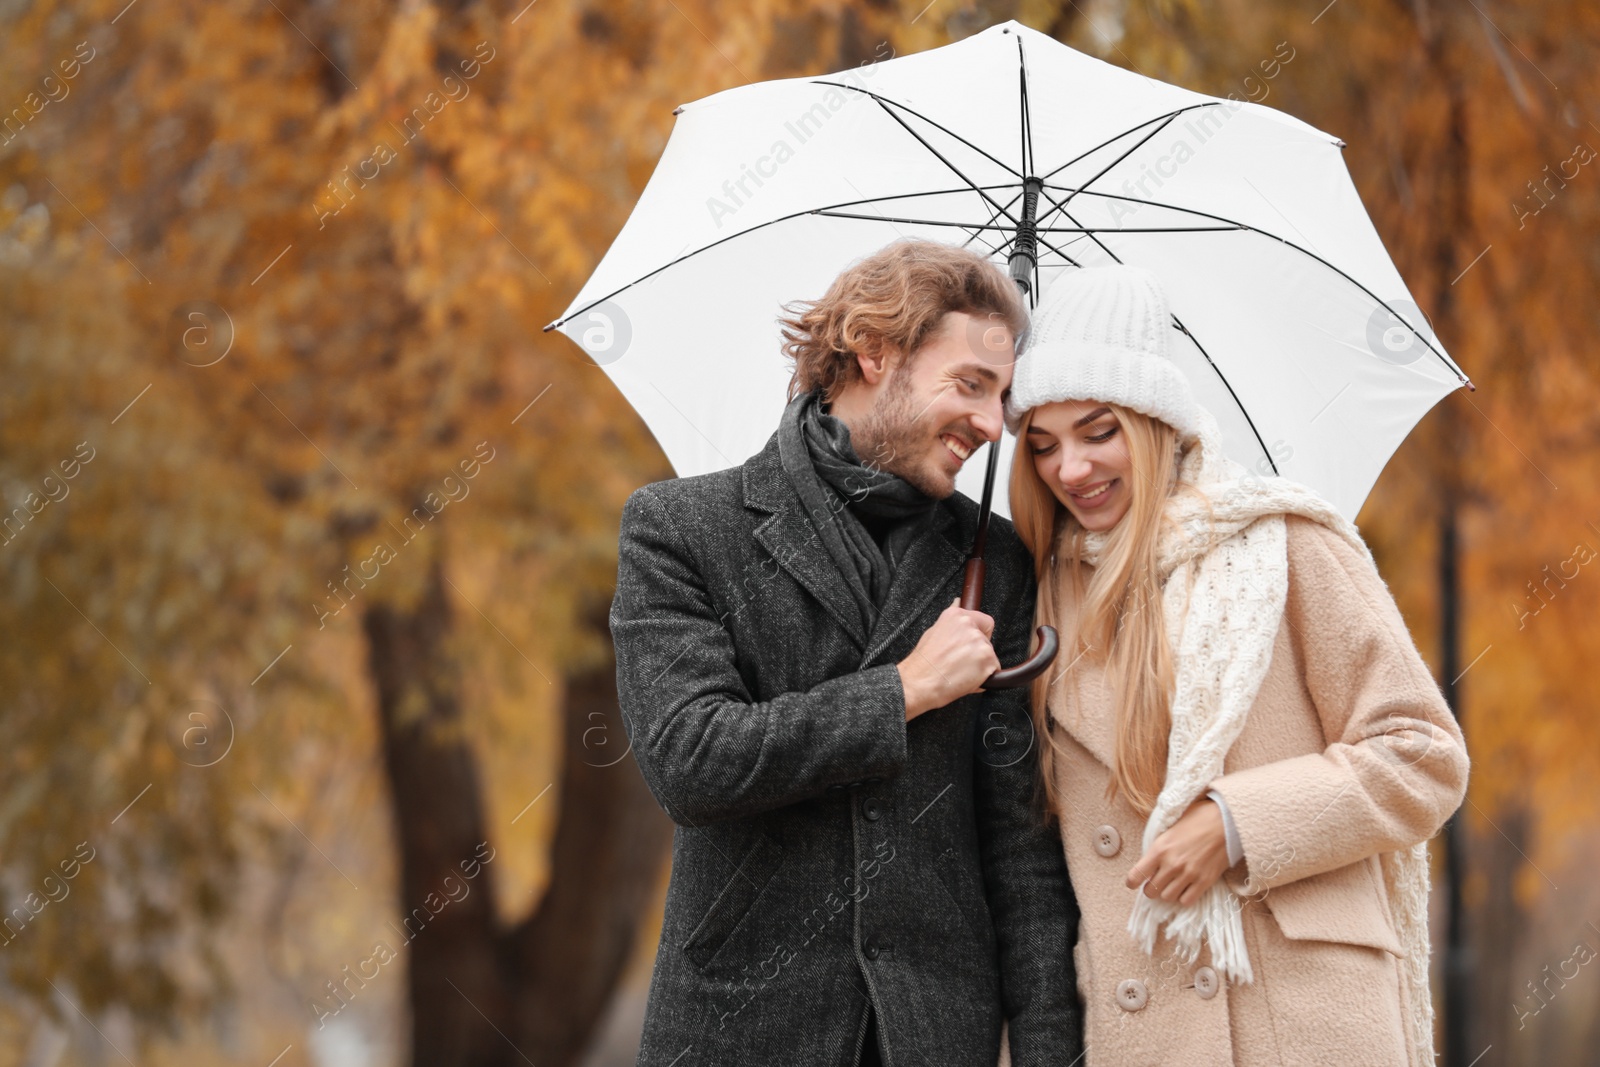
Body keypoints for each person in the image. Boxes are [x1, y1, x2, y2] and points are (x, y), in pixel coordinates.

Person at [609, 238, 1082, 1067]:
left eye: (1001, 398)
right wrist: (901, 691)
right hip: (739, 1033)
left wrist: (1051, 1055)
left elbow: (1021, 855)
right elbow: (692, 761)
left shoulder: (995, 563)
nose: (987, 422)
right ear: (874, 350)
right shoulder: (684, 530)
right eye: (970, 384)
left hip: (930, 1039)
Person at [1002, 264, 1469, 1067]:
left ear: (1155, 423)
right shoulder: (1037, 594)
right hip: (1141, 1019)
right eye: (1042, 444)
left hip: (1300, 1011)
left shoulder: (1282, 546)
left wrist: (1237, 822)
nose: (1069, 469)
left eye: (1098, 430)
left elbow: (1422, 754)